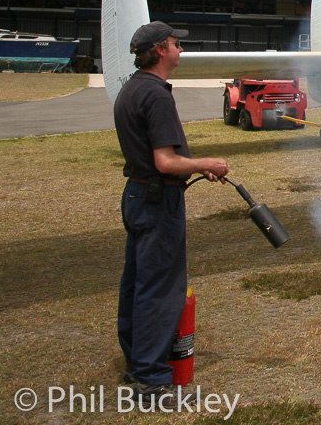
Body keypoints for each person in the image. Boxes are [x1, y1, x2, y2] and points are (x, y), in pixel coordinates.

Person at [114, 21, 228, 404]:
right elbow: (165, 161)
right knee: (161, 290)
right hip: (156, 200)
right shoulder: (157, 96)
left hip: (136, 196)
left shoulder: (133, 88)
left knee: (137, 284)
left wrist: (194, 166)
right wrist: (207, 162)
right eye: (177, 44)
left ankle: (137, 364)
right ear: (161, 49)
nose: (181, 50)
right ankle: (152, 380)